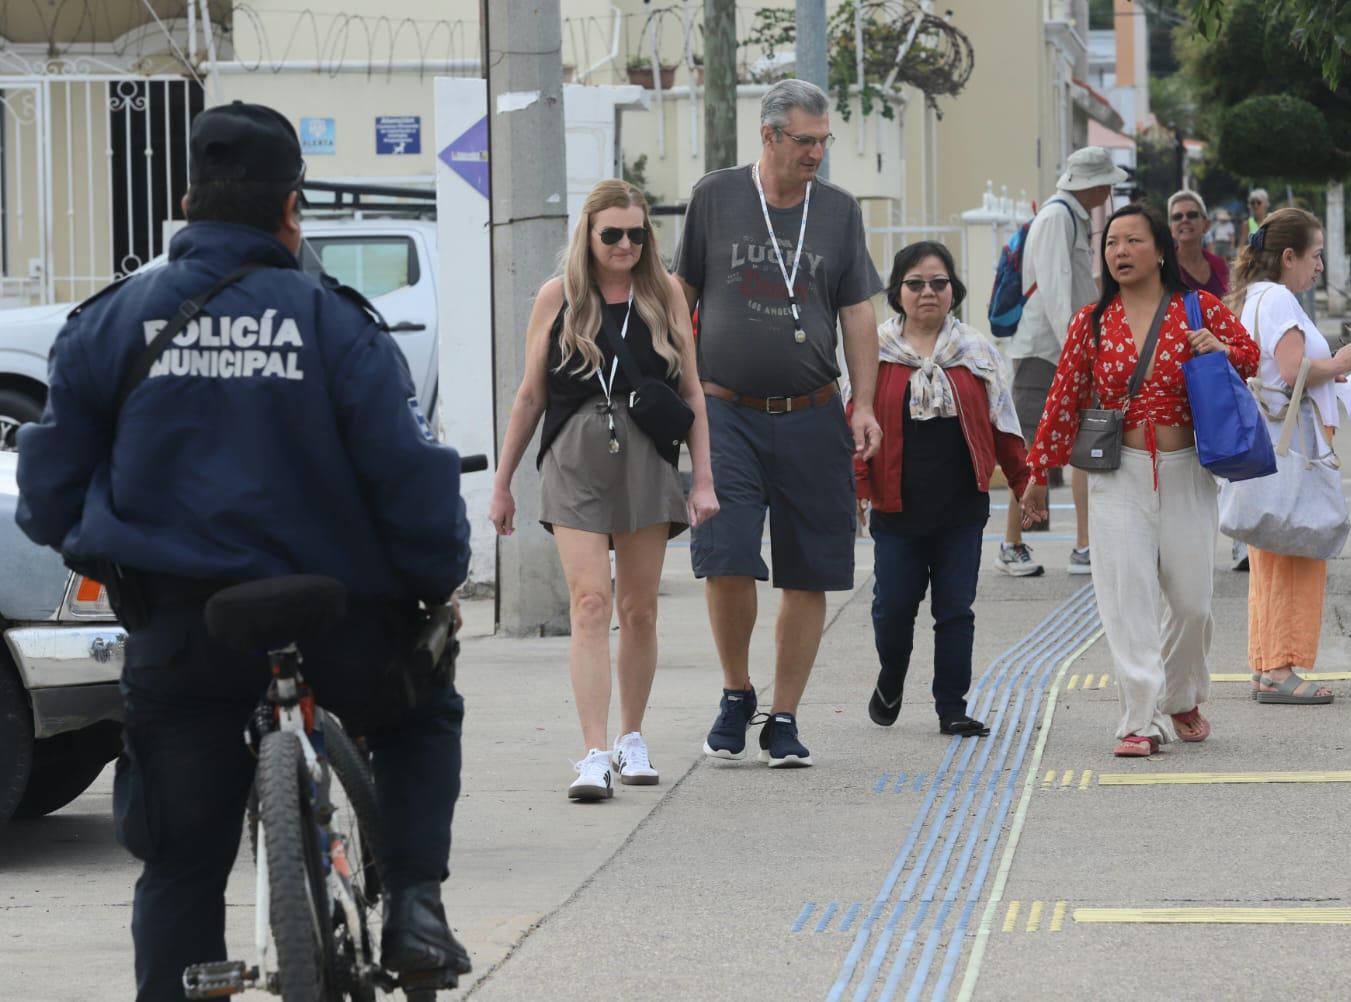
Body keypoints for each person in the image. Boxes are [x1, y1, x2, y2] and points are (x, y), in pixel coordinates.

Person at [13, 102, 472, 1000]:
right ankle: (416, 907)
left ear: (187, 199)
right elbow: (410, 481)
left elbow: (46, 493)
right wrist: (431, 584)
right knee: (422, 712)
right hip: (338, 620)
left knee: (180, 867)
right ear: (290, 207)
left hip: (185, 634)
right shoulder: (334, 322)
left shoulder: (112, 322)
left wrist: (117, 563)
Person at [674, 79, 883, 767]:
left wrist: (864, 403)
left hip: (811, 411)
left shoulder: (838, 212)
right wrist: (683, 389)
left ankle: (785, 717)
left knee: (808, 570)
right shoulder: (716, 196)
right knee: (727, 553)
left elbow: (857, 312)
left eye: (823, 141)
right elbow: (683, 296)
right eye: (804, 141)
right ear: (768, 136)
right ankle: (737, 691)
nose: (816, 153)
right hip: (725, 410)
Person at [489, 180, 717, 800]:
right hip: (575, 456)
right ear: (587, 235)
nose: (624, 245)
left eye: (636, 234)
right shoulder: (557, 297)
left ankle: (631, 737)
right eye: (611, 233)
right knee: (590, 602)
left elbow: (692, 391)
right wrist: (503, 483)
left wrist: (703, 480)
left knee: (638, 609)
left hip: (645, 454)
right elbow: (531, 395)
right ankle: (593, 753)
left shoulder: (664, 293)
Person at [1020, 204, 1259, 758]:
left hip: (1188, 474)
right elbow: (1064, 400)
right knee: (1127, 599)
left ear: (1159, 249)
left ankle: (1181, 696)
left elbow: (1250, 356)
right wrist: (1038, 473)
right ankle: (1138, 718)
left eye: (1132, 241)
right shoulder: (1092, 321)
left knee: (1192, 600)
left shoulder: (1199, 308)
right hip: (1118, 476)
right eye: (1111, 243)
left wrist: (1219, 350)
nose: (1120, 252)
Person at [857, 242, 1031, 737]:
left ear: (953, 290)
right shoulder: (875, 352)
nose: (928, 292)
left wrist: (1026, 482)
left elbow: (1004, 425)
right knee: (892, 608)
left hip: (960, 508)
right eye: (916, 284)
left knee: (955, 611)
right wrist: (859, 487)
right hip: (896, 507)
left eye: (938, 283)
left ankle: (951, 705)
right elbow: (855, 424)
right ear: (897, 292)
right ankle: (891, 678)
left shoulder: (976, 352)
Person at [1227, 208, 1351, 704]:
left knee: (1271, 553)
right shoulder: (1281, 298)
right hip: (1292, 446)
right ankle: (1282, 668)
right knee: (1296, 549)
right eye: (1316, 255)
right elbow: (1291, 371)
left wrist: (1326, 370)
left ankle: (1267, 664)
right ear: (1288, 258)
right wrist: (1341, 362)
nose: (1320, 266)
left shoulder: (1255, 297)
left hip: (1265, 443)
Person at [1000, 147, 1126, 579]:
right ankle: (1012, 543)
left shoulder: (1072, 215)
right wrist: (1078, 349)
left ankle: (1084, 546)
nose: (1109, 189)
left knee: (1082, 448)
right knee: (1033, 450)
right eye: (1106, 181)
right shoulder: (1058, 217)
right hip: (1045, 351)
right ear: (1089, 183)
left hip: (1065, 349)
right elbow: (1054, 289)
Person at [1169, 189, 1229, 300]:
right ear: (1171, 229)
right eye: (1177, 217)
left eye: (1192, 215)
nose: (1184, 220)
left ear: (1206, 225)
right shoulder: (1163, 268)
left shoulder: (1220, 265)